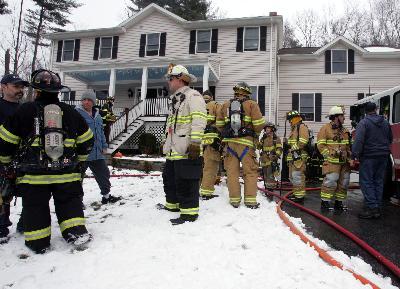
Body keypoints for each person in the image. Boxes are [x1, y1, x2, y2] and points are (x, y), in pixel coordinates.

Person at [0, 69, 94, 253]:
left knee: (36, 209)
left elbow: (5, 142)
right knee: (70, 205)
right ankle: (76, 233)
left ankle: (38, 243)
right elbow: (87, 141)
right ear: (58, 91)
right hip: (67, 174)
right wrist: (80, 164)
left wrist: (6, 162)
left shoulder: (24, 110)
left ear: (36, 91)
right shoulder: (71, 112)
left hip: (33, 178)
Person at [158, 64, 207, 225]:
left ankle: (189, 214)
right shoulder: (176, 100)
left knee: (186, 181)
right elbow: (171, 125)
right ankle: (172, 206)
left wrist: (195, 143)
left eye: (170, 79)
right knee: (170, 179)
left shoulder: (193, 96)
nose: (169, 82)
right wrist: (165, 142)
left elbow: (199, 120)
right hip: (173, 150)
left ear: (180, 79)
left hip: (186, 150)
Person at [216, 82, 265, 209]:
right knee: (250, 172)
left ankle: (234, 200)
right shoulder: (252, 104)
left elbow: (219, 125)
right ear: (247, 93)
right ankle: (250, 201)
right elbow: (259, 125)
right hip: (246, 145)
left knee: (232, 172)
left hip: (230, 145)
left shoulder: (225, 105)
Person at [75, 90, 121, 205]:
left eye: (89, 100)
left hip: (97, 152)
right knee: (77, 178)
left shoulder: (98, 116)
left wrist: (104, 146)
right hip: (82, 153)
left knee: (104, 174)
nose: (86, 102)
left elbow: (101, 133)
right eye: (84, 100)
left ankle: (106, 196)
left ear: (93, 102)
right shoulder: (76, 114)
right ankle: (77, 201)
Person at [0, 74, 29, 242]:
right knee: (3, 194)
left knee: (30, 191)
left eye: (22, 87)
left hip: (24, 159)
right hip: (2, 159)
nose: (20, 90)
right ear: (3, 86)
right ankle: (1, 228)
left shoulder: (24, 109)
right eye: (16, 86)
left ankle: (24, 224)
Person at [352, 102, 392, 219]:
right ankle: (376, 207)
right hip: (384, 156)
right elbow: (390, 138)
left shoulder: (363, 123)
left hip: (369, 157)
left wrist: (354, 154)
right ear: (376, 109)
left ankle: (371, 208)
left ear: (365, 111)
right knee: (378, 181)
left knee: (366, 181)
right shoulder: (385, 122)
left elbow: (358, 141)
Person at [317, 106, 351, 211]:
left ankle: (338, 203)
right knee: (330, 181)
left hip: (344, 162)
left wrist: (349, 155)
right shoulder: (325, 129)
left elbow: (348, 145)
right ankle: (325, 203)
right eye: (342, 116)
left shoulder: (345, 130)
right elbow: (320, 145)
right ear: (336, 117)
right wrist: (329, 156)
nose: (344, 118)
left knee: (344, 183)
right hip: (332, 163)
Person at [200, 90, 221, 200]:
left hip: (197, 141)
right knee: (210, 167)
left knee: (198, 167)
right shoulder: (215, 105)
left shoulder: (197, 106)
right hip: (211, 142)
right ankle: (206, 193)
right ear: (212, 97)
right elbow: (221, 122)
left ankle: (195, 189)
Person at [285, 110, 310, 203]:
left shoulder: (301, 127)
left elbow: (303, 141)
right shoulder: (294, 129)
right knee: (292, 177)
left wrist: (293, 149)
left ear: (294, 119)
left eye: (290, 120)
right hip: (293, 158)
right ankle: (296, 194)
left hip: (299, 157)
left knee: (297, 176)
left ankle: (300, 197)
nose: (289, 122)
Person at [260, 122, 282, 190]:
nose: (266, 129)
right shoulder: (263, 138)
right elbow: (259, 147)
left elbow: (279, 149)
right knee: (265, 176)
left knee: (270, 176)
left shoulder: (276, 138)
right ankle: (267, 189)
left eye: (268, 128)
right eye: (266, 128)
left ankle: (271, 192)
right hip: (264, 160)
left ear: (272, 129)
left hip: (271, 160)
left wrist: (276, 156)